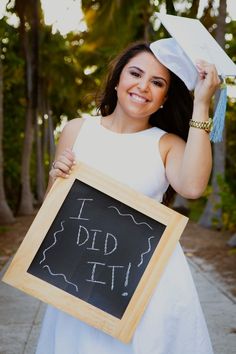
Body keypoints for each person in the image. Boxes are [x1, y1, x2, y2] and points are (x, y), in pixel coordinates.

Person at [36, 38, 220, 354]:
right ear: (119, 79)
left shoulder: (168, 144)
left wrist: (202, 102)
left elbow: (192, 187)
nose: (143, 87)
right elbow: (54, 218)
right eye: (135, 74)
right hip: (84, 276)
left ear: (164, 97)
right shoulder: (77, 130)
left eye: (157, 82)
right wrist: (57, 177)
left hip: (150, 281)